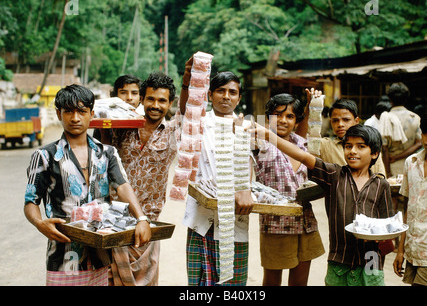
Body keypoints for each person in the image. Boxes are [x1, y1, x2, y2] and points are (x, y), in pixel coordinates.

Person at [23, 84, 151, 286]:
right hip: (63, 257)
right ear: (59, 113)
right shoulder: (44, 156)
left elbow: (122, 186)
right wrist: (39, 224)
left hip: (99, 256)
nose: (75, 118)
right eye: (69, 112)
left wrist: (141, 218)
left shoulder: (107, 153)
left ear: (91, 114)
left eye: (82, 111)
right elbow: (31, 201)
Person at [251, 123, 394, 286]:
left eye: (360, 146)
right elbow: (303, 156)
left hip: (372, 260)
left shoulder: (382, 185)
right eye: (348, 146)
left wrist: (383, 239)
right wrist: (270, 136)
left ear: (374, 153)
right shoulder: (335, 175)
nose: (353, 151)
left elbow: (388, 225)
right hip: (339, 260)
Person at [181, 59, 254, 286]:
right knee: (199, 284)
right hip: (200, 220)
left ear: (239, 98)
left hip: (234, 221)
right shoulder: (198, 123)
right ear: (210, 95)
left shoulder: (246, 126)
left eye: (232, 92)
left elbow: (247, 166)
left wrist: (245, 189)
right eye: (220, 91)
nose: (226, 96)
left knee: (232, 285)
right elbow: (185, 108)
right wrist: (187, 76)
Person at [109, 72, 178, 286]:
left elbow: (188, 109)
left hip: (147, 225)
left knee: (145, 282)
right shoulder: (122, 126)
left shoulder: (174, 131)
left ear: (170, 103)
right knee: (111, 280)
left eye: (162, 100)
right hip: (113, 221)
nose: (155, 105)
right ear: (142, 99)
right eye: (150, 99)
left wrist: (187, 77)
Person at [253, 92, 325, 286]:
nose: (283, 120)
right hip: (275, 223)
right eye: (277, 115)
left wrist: (312, 105)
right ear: (269, 117)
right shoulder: (259, 143)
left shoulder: (304, 144)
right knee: (272, 281)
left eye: (290, 116)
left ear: (297, 120)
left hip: (306, 221)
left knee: (300, 282)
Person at [393, 105, 427, 286]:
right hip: (413, 252)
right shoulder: (412, 163)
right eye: (426, 132)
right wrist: (401, 250)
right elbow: (410, 208)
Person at [319, 98, 387, 177]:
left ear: (356, 121)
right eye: (335, 120)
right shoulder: (325, 145)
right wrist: (312, 106)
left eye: (346, 120)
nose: (340, 124)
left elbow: (380, 178)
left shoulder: (369, 146)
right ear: (331, 122)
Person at [382, 82, 422, 178]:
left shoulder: (385, 118)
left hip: (390, 167)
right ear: (406, 98)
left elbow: (384, 149)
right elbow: (419, 143)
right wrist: (398, 157)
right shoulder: (415, 118)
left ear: (390, 99)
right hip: (412, 166)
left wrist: (387, 173)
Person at [93, 74, 142, 143]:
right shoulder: (105, 120)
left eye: (134, 93)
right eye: (123, 93)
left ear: (141, 98)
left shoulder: (143, 122)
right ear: (115, 95)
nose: (129, 98)